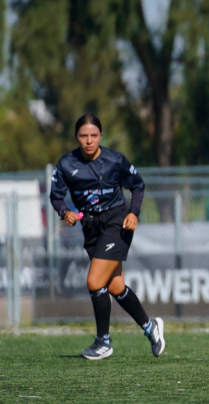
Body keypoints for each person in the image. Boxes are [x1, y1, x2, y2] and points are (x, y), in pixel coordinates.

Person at [49, 114, 165, 360]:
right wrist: (64, 211)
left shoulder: (115, 160)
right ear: (77, 137)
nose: (88, 140)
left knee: (94, 282)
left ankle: (103, 342)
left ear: (101, 136)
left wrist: (134, 213)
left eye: (93, 135)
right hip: (90, 227)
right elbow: (56, 196)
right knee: (115, 285)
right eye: (83, 136)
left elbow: (138, 185)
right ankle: (150, 327)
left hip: (116, 222)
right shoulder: (67, 164)